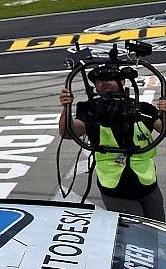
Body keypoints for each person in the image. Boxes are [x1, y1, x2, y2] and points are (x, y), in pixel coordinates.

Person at [58, 63, 166, 221]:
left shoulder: (142, 108)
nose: (104, 82)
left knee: (159, 226)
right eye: (99, 80)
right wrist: (66, 107)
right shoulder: (91, 110)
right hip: (115, 188)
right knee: (134, 231)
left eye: (109, 78)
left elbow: (163, 128)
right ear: (95, 87)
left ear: (122, 81)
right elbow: (67, 132)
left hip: (148, 183)